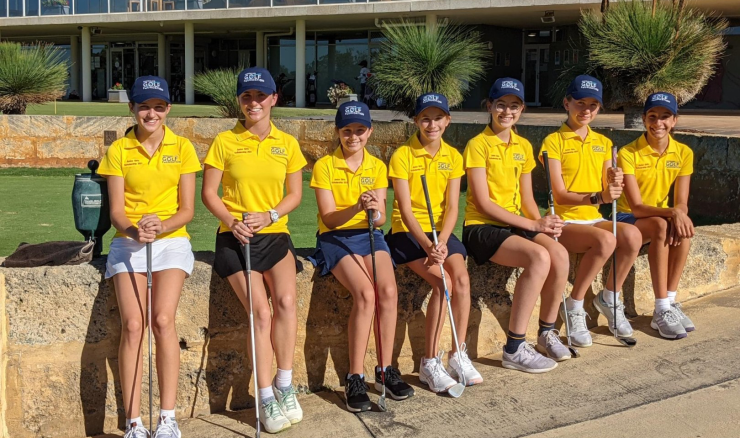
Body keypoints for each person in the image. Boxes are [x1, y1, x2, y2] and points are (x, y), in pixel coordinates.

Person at [201, 67, 307, 434]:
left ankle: (284, 384)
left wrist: (271, 214)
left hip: (275, 235)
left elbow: (295, 195)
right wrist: (233, 221)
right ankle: (263, 396)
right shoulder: (224, 142)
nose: (253, 102)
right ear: (239, 101)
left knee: (288, 305)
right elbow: (209, 194)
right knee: (260, 313)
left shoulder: (287, 144)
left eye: (261, 96)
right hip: (236, 238)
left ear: (274, 99)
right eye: (246, 96)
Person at [98, 75, 201, 438]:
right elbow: (117, 213)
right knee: (132, 325)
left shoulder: (183, 147)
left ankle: (167, 417)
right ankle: (134, 423)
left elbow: (187, 209)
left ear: (168, 109)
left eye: (158, 107)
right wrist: (133, 230)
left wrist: (161, 226)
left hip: (171, 241)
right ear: (132, 108)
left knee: (161, 319)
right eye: (144, 106)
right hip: (129, 242)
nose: (151, 113)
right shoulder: (118, 150)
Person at [308, 101, 414, 413]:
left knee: (388, 292)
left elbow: (380, 220)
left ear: (369, 131)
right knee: (366, 294)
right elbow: (329, 219)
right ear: (338, 132)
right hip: (335, 237)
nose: (353, 136)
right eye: (347, 130)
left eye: (359, 130)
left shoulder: (377, 167)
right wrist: (356, 206)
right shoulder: (324, 166)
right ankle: (355, 376)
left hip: (369, 234)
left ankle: (385, 370)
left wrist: (374, 210)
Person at [463, 78, 570, 373]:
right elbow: (484, 204)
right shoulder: (477, 145)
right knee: (538, 257)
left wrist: (543, 226)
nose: (507, 111)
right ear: (489, 106)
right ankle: (514, 347)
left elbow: (526, 198)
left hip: (514, 224)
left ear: (521, 109)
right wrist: (531, 223)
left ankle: (547, 332)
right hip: (481, 226)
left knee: (558, 254)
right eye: (501, 104)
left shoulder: (523, 145)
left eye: (514, 105)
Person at [385, 92, 482, 392]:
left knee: (462, 280)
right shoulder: (402, 155)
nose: (431, 124)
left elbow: (453, 207)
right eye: (425, 118)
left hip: (441, 232)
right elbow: (403, 209)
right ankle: (429, 363)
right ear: (416, 120)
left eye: (438, 118)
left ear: (447, 121)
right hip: (408, 234)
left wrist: (440, 242)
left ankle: (458, 354)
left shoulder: (454, 156)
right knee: (444, 282)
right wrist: (427, 245)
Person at [539, 75, 643, 347]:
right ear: (567, 103)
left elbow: (606, 191)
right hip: (565, 220)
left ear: (599, 108)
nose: (585, 110)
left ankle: (609, 297)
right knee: (607, 239)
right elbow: (558, 193)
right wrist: (600, 196)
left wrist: (614, 180)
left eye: (593, 105)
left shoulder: (603, 142)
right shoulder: (553, 142)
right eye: (580, 103)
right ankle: (574, 305)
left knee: (632, 236)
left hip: (593, 217)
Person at [616, 92, 695, 339]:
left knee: (684, 231)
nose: (658, 123)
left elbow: (681, 201)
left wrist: (678, 215)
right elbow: (637, 207)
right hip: (626, 217)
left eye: (665, 117)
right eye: (652, 116)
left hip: (659, 217)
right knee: (663, 225)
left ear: (674, 121)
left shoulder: (684, 153)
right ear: (643, 119)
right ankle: (660, 309)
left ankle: (670, 300)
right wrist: (672, 213)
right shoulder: (628, 153)